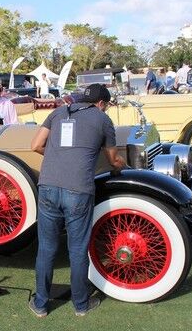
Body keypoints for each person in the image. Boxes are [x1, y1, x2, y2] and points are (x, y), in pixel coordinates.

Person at [29, 84, 126, 318]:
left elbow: (35, 145)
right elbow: (112, 159)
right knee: (78, 249)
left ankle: (41, 304)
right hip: (79, 190)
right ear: (102, 104)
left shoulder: (58, 112)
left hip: (48, 187)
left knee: (47, 247)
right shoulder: (103, 120)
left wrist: (59, 156)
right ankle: (81, 305)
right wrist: (122, 164)